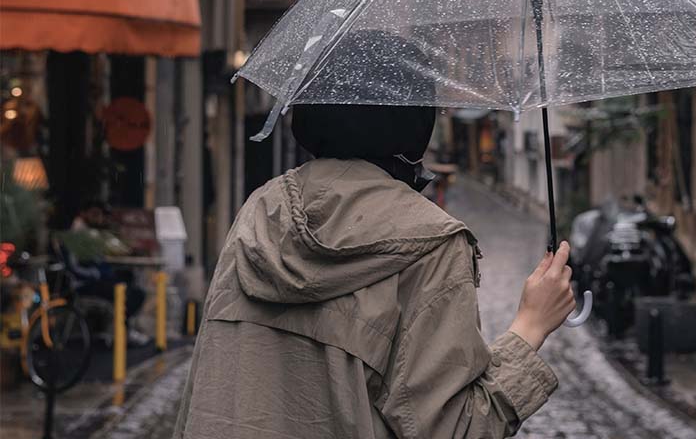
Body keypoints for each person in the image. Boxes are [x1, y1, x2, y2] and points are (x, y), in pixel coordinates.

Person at [174, 33, 576, 438]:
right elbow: (456, 429)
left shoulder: (259, 213)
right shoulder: (431, 244)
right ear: (416, 120)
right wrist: (530, 326)